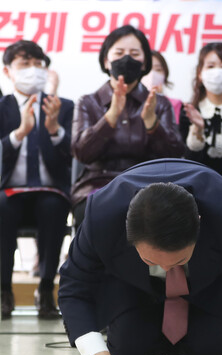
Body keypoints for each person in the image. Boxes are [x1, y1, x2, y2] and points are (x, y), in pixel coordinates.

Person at [58, 158, 222, 355]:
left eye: (179, 260)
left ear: (199, 224)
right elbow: (74, 286)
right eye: (151, 260)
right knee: (129, 350)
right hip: (134, 287)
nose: (165, 268)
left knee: (211, 351)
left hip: (206, 285)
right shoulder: (102, 214)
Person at [0, 40, 74, 319]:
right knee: (3, 207)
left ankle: (47, 287)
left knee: (53, 206)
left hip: (50, 189)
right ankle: (3, 290)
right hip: (11, 190)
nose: (33, 70)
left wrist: (55, 129)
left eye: (39, 64)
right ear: (8, 71)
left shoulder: (64, 107)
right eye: (25, 64)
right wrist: (19, 133)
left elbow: (76, 155)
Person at [71, 25, 184, 227]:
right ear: (106, 61)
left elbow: (174, 155)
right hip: (99, 185)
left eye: (134, 54)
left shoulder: (159, 103)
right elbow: (81, 152)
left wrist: (152, 124)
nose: (126, 59)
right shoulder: (88, 102)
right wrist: (110, 116)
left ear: (144, 64)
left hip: (150, 185)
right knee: (93, 212)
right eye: (119, 53)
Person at [182, 42, 222, 188]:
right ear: (200, 73)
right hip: (196, 191)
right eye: (210, 66)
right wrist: (198, 131)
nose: (217, 72)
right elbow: (186, 163)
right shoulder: (188, 111)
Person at [141, 50, 183, 124]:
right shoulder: (130, 103)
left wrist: (161, 100)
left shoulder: (175, 104)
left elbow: (173, 132)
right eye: (148, 69)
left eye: (158, 70)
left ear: (165, 74)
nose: (152, 75)